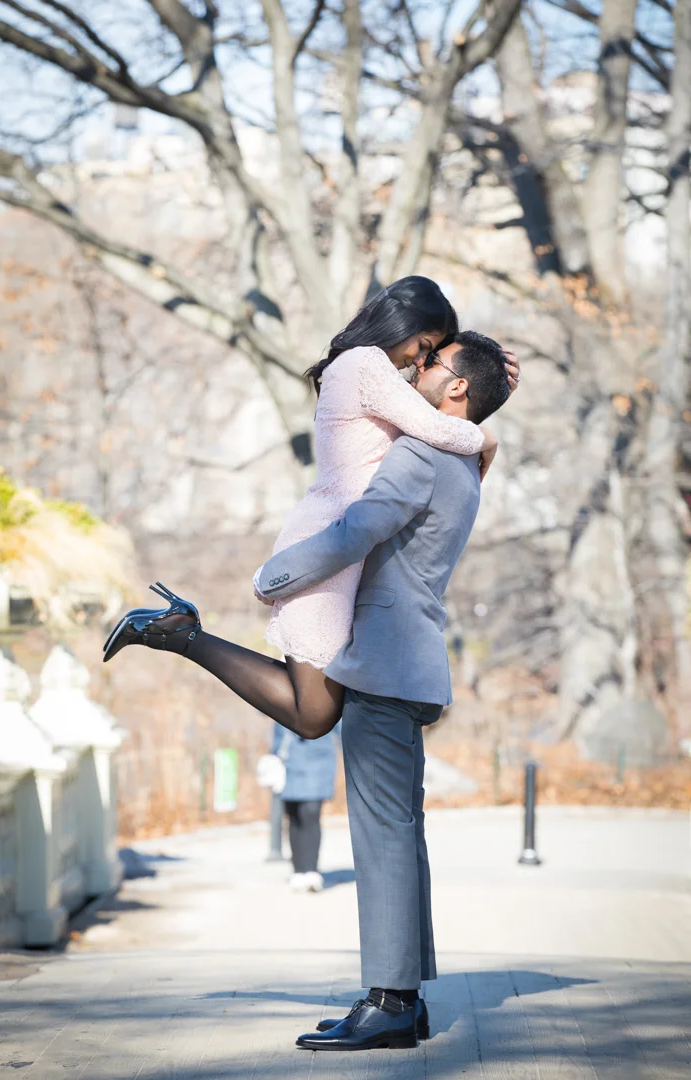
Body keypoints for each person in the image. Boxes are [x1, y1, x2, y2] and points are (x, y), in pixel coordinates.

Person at [103, 278, 518, 747]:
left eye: (430, 355)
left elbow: (446, 405)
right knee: (315, 715)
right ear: (400, 324)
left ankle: (181, 631)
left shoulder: (377, 374)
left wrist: (493, 382)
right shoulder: (363, 365)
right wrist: (487, 438)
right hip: (327, 544)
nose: (419, 361)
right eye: (422, 346)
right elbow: (439, 426)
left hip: (345, 552)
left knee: (317, 710)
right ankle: (180, 635)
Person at [249, 332, 513, 1051]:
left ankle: (390, 1001)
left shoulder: (423, 453)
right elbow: (473, 422)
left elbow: (358, 528)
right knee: (400, 830)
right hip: (409, 660)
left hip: (386, 662)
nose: (416, 368)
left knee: (384, 835)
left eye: (432, 363)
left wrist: (274, 577)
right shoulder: (463, 460)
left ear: (456, 388)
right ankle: (405, 999)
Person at [272, 723, 338, 893]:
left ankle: (311, 870)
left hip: (318, 762)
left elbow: (344, 728)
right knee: (294, 817)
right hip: (289, 764)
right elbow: (277, 735)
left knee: (310, 814)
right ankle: (298, 870)